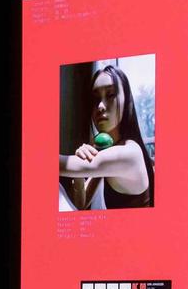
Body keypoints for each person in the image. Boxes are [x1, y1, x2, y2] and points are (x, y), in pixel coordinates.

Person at [58, 62, 152, 211]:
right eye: (95, 99)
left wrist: (80, 166)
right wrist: (80, 172)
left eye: (110, 95)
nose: (100, 106)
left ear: (127, 101)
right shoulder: (106, 149)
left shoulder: (130, 153)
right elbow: (81, 203)